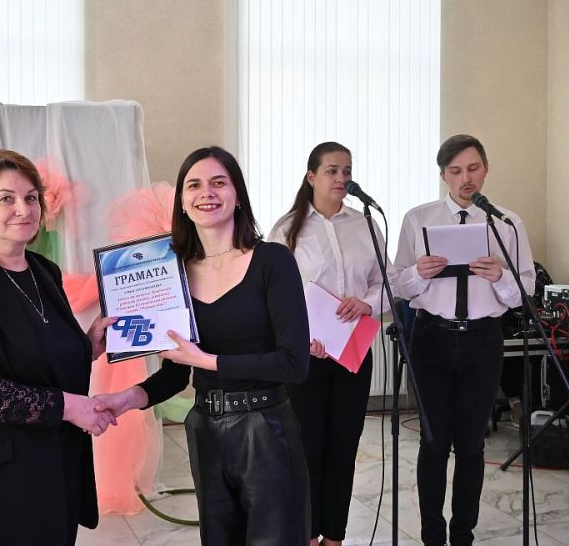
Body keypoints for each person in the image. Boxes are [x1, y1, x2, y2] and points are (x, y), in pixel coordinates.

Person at [96, 146, 311, 545]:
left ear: (237, 194)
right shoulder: (172, 273)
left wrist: (208, 360)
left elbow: (294, 363)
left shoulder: (272, 260)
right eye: (193, 185)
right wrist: (129, 397)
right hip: (204, 430)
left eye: (218, 182)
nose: (206, 192)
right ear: (182, 201)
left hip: (265, 431)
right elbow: (178, 372)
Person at [0, 149, 117, 546]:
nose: (23, 209)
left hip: (51, 466)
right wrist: (69, 407)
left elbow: (33, 352)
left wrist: (87, 347)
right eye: (6, 198)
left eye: (31, 197)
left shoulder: (45, 272)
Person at [393, 135, 535, 546]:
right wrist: (419, 272)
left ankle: (462, 536)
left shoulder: (507, 223)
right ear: (443, 176)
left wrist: (500, 277)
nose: (465, 178)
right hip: (431, 338)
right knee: (433, 443)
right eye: (455, 171)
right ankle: (432, 536)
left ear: (486, 168)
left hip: (482, 340)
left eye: (473, 168)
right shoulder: (418, 219)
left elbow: (524, 291)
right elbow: (398, 284)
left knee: (471, 446)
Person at [268, 142, 392, 546]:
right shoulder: (287, 229)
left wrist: (367, 303)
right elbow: (273, 296)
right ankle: (306, 533)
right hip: (305, 356)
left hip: (353, 350)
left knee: (344, 446)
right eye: (332, 171)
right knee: (306, 448)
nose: (341, 178)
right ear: (312, 177)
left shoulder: (366, 225)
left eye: (347, 171)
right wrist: (300, 339)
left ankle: (335, 536)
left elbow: (386, 283)